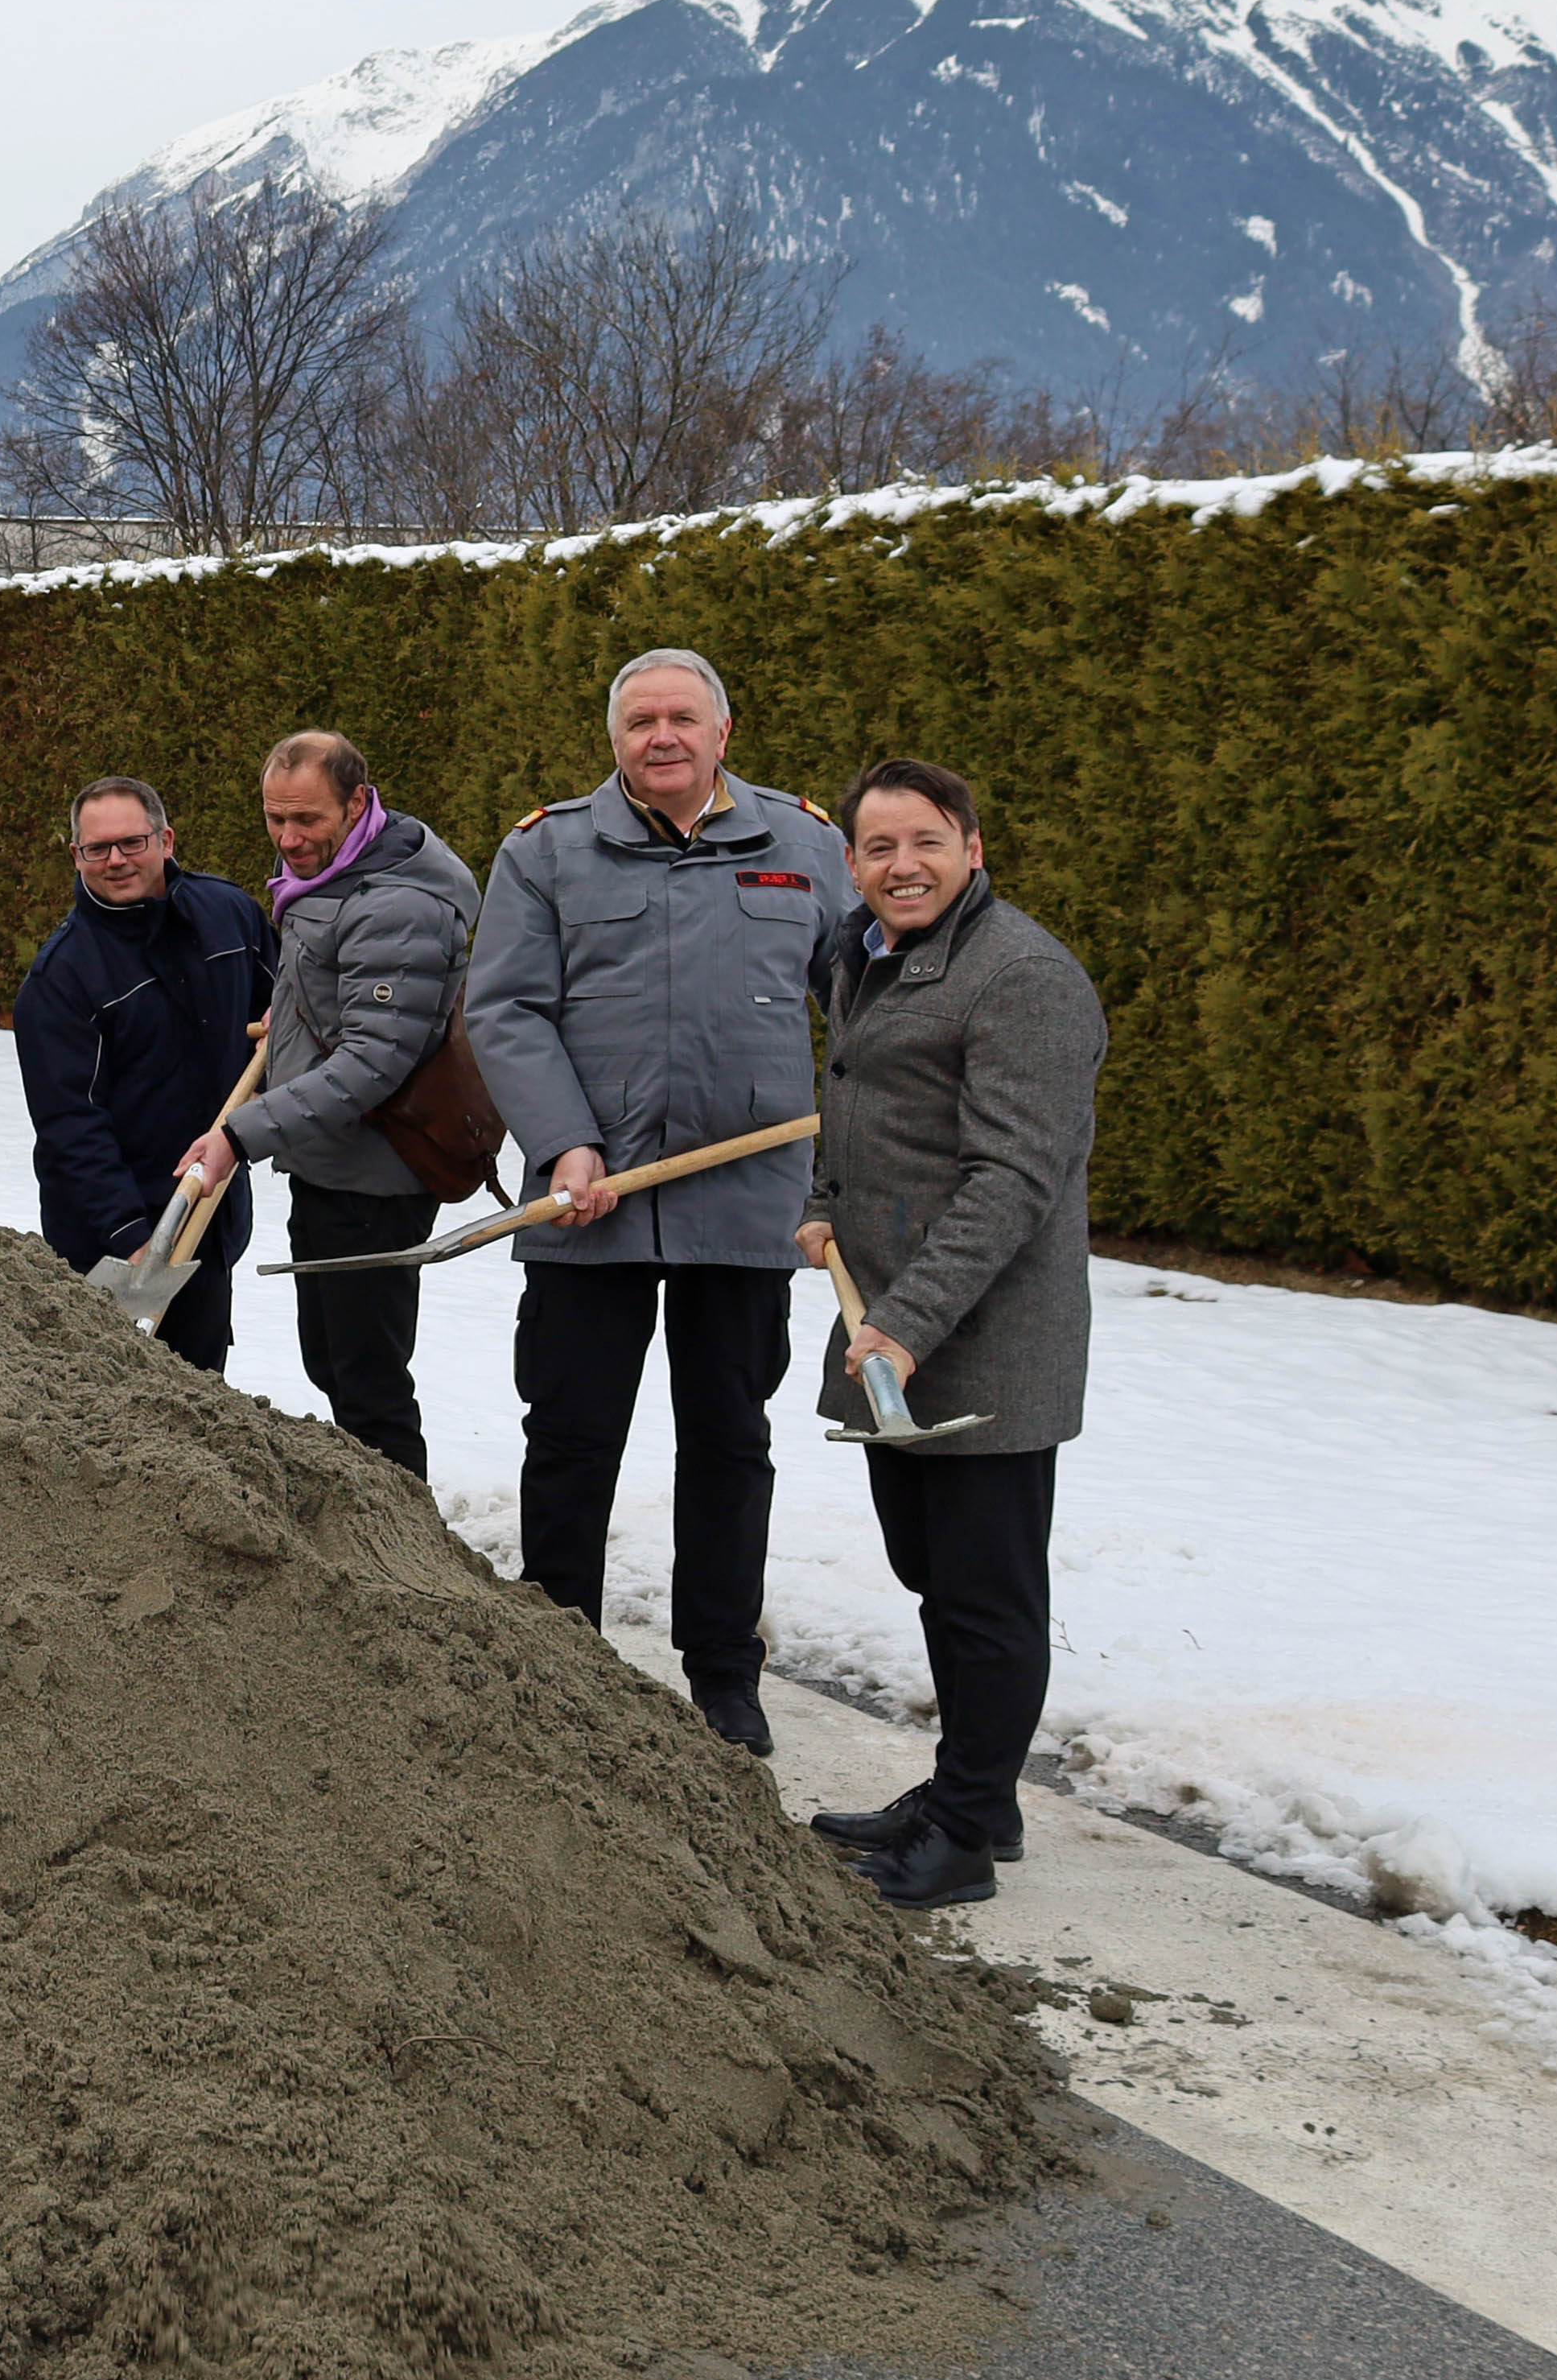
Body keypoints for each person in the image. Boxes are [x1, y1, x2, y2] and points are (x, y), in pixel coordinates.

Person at [463, 646, 851, 1755]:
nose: (662, 738)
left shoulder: (806, 844)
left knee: (729, 1439)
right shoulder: (547, 853)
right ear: (616, 740)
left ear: (724, 733)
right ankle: (559, 1658)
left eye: (684, 718)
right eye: (641, 722)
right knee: (573, 1436)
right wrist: (565, 1144)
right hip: (593, 1201)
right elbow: (507, 1011)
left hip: (748, 1200)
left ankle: (725, 1675)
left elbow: (866, 1006)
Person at [793, 758, 1106, 1908]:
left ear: (973, 848)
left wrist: (910, 1324)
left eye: (924, 841)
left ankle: (967, 1835)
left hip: (982, 1339)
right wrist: (825, 1199)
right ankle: (977, 1786)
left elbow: (1013, 1177)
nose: (900, 865)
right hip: (892, 1327)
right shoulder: (865, 954)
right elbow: (854, 1095)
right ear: (855, 863)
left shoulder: (1020, 977)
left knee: (985, 1591)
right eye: (878, 848)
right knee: (931, 1571)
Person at [176, 731, 476, 1480]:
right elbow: (339, 989)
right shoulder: (338, 875)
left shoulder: (398, 903)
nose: (289, 839)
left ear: (359, 802)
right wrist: (300, 1007)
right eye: (275, 819)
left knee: (368, 1381)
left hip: (378, 1172)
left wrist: (240, 1137)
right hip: (332, 1160)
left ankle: (402, 1541)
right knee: (334, 1364)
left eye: (307, 820)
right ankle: (368, 1521)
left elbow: (374, 1062)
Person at [12, 776, 274, 1374]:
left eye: (131, 843)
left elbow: (277, 1013)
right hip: (108, 1232)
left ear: (166, 840)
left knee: (198, 1389)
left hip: (209, 1206)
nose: (115, 861)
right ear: (76, 856)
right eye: (96, 849)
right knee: (105, 1399)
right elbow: (69, 1125)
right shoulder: (62, 979)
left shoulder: (231, 917)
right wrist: (133, 1235)